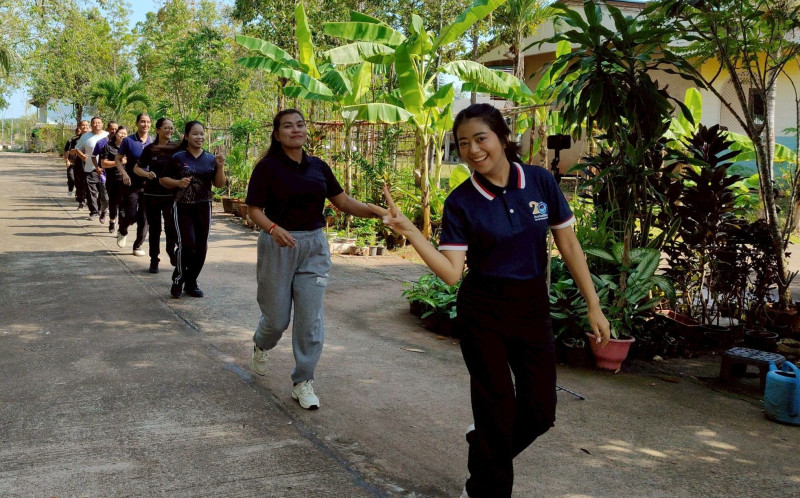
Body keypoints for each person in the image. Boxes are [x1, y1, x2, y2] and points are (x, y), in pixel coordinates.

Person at [373, 103, 611, 498]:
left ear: (502, 137)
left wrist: (594, 304)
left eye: (480, 138)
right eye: (463, 143)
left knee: (540, 412)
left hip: (532, 309)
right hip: (483, 313)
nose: (473, 150)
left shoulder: (539, 181)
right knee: (496, 409)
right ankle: (484, 487)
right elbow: (452, 273)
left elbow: (569, 245)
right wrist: (412, 232)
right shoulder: (461, 201)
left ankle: (483, 442)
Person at [245, 109, 379, 410]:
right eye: (288, 126)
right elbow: (253, 209)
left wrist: (377, 213)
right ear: (277, 134)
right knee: (277, 319)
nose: (296, 130)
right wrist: (273, 228)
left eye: (300, 125)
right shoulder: (267, 167)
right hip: (278, 244)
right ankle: (262, 343)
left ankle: (303, 380)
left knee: (310, 319)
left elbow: (343, 202)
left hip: (314, 247)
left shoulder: (318, 166)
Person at [159, 121, 225, 298]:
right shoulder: (178, 157)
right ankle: (178, 279)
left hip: (204, 206)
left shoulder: (210, 158)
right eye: (195, 134)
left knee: (201, 248)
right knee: (187, 245)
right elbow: (163, 179)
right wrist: (177, 183)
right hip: (182, 207)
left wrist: (220, 166)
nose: (199, 137)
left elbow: (219, 184)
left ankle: (191, 282)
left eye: (202, 133)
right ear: (187, 136)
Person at [134, 118, 179, 274]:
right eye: (166, 128)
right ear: (158, 130)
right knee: (155, 229)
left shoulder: (176, 148)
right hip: (152, 195)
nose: (169, 130)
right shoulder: (150, 149)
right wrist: (147, 174)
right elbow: (136, 168)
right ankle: (154, 260)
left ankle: (171, 251)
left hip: (171, 194)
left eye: (171, 128)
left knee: (171, 227)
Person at [115, 113, 153, 255]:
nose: (145, 124)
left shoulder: (153, 141)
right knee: (131, 214)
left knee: (144, 217)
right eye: (142, 121)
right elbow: (118, 159)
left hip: (149, 184)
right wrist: (124, 173)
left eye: (148, 122)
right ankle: (123, 229)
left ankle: (137, 246)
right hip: (131, 182)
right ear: (137, 123)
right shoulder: (128, 140)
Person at [75, 116, 109, 220]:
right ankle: (94, 212)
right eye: (94, 123)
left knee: (104, 193)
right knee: (91, 192)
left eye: (99, 123)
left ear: (102, 124)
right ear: (91, 125)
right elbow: (77, 148)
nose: (96, 124)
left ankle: (102, 209)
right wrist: (82, 155)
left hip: (105, 169)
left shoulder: (107, 136)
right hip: (90, 168)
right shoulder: (85, 137)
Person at [100, 126, 128, 235]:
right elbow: (104, 163)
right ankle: (112, 221)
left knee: (123, 203)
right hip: (112, 179)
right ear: (116, 134)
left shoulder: (129, 147)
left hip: (125, 179)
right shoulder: (108, 147)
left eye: (125, 133)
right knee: (113, 201)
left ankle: (121, 226)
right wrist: (119, 163)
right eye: (120, 133)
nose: (122, 135)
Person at [90, 121, 118, 225]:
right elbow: (93, 156)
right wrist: (97, 167)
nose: (114, 131)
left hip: (118, 174)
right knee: (105, 197)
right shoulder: (101, 142)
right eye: (112, 129)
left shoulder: (122, 142)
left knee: (116, 198)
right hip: (104, 174)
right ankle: (104, 210)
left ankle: (113, 219)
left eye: (116, 129)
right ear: (107, 129)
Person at [69, 120, 90, 210]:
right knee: (80, 183)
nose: (85, 127)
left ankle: (90, 201)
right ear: (79, 127)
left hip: (91, 163)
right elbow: (71, 152)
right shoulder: (75, 139)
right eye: (83, 125)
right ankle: (81, 202)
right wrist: (77, 150)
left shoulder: (93, 137)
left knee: (90, 183)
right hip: (79, 164)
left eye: (86, 125)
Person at [63, 126, 82, 197]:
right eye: (78, 131)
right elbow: (66, 151)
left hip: (80, 162)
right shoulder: (71, 141)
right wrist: (67, 160)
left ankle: (78, 193)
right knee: (71, 177)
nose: (79, 133)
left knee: (79, 179)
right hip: (72, 162)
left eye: (80, 131)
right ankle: (70, 189)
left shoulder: (85, 140)